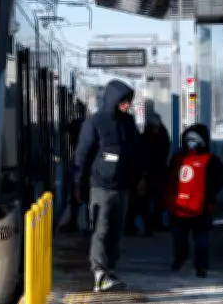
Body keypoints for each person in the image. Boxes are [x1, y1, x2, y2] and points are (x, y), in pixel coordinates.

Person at [73, 79, 142, 292]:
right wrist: (78, 184)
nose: (127, 105)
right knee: (101, 229)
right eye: (123, 100)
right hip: (101, 187)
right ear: (113, 99)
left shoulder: (128, 123)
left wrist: (140, 177)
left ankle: (110, 270)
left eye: (129, 101)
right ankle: (99, 272)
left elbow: (137, 151)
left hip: (123, 187)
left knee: (116, 231)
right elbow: (82, 156)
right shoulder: (95, 122)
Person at [163, 124, 223, 277]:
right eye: (188, 140)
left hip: (201, 208)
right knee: (179, 237)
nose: (191, 143)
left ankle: (201, 267)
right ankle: (180, 257)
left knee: (201, 240)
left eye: (195, 140)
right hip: (179, 207)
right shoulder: (178, 158)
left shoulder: (210, 160)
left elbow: (218, 180)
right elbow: (169, 178)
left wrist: (208, 196)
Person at [125, 113, 171, 236]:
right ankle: (149, 225)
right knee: (144, 201)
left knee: (142, 200)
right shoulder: (157, 136)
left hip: (149, 173)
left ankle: (141, 225)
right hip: (150, 173)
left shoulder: (146, 138)